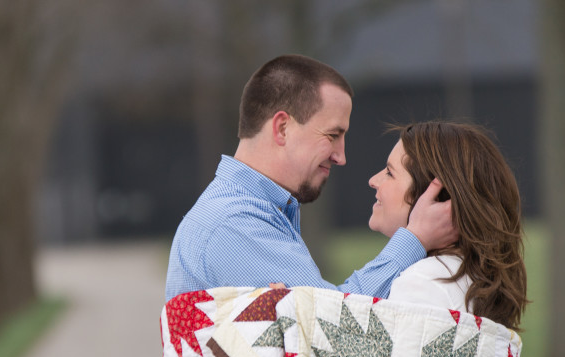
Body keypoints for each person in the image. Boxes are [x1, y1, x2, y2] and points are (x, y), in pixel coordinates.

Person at [165, 54, 457, 301]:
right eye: (333, 135)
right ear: (282, 128)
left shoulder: (250, 214)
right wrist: (415, 239)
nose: (341, 156)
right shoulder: (233, 224)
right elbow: (335, 328)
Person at [367, 120, 527, 330]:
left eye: (390, 172)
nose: (373, 180)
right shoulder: (475, 279)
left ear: (435, 196)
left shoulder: (423, 284)